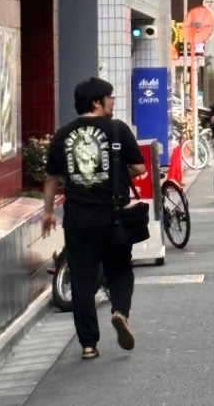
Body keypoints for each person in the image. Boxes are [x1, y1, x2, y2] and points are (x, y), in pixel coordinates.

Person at [43, 76, 146, 361]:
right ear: (96, 102)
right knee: (120, 270)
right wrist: (117, 174)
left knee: (83, 282)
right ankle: (119, 312)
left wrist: (48, 212)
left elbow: (52, 177)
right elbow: (138, 167)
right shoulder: (117, 130)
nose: (112, 101)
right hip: (113, 218)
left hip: (78, 220)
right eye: (109, 97)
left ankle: (89, 344)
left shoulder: (62, 135)